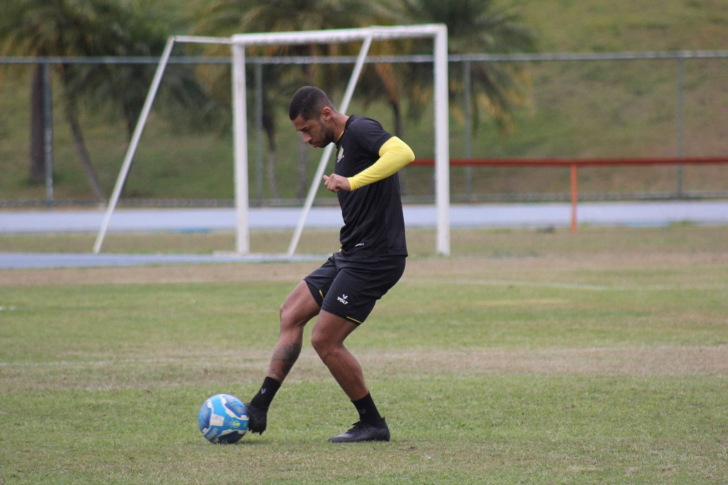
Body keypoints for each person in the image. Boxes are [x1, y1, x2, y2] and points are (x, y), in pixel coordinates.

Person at [246, 86, 415, 443]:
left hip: (377, 257)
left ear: (326, 115)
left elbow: (403, 152)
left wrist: (351, 182)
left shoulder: (361, 130)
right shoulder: (341, 144)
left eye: (307, 130)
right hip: (352, 253)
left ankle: (372, 424)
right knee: (291, 312)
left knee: (325, 340)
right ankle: (259, 405)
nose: (306, 139)